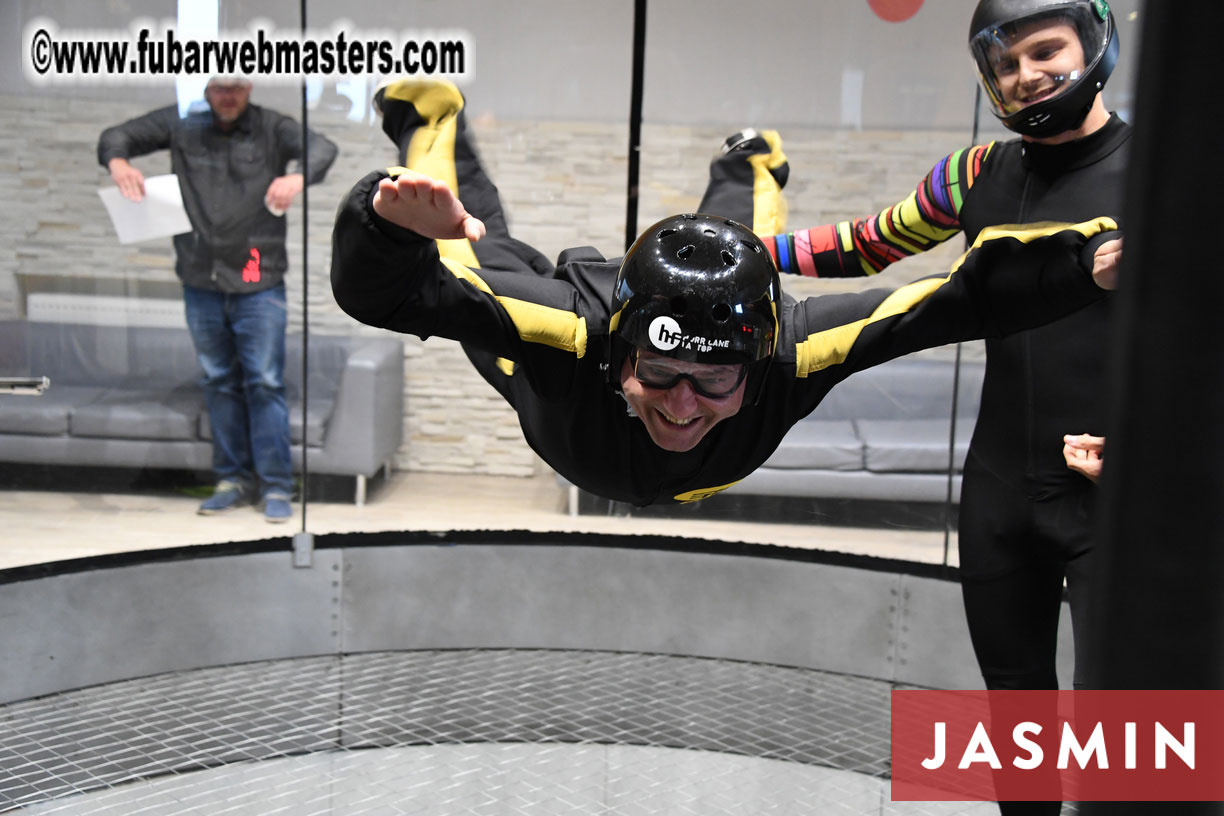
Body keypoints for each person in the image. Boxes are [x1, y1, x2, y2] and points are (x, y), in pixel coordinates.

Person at [330, 78, 1117, 512]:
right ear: (619, 354)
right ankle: (429, 117)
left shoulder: (791, 349)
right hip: (555, 385)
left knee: (738, 246)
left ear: (758, 361)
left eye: (713, 381)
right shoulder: (571, 333)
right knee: (469, 247)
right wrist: (386, 226)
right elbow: (391, 295)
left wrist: (1088, 264)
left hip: (660, 353)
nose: (681, 407)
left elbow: (954, 301)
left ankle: (751, 159)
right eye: (660, 374)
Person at [740, 2, 1125, 812]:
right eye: (1006, 63)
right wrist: (740, 250)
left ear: (1093, 40)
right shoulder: (975, 173)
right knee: (1016, 714)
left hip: (1121, 497)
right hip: (1000, 490)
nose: (1027, 75)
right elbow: (863, 244)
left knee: (1136, 727)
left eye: (1045, 51)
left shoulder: (1165, 174)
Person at [98, 76, 339, 522]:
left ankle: (276, 485)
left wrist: (297, 176)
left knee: (264, 383)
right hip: (200, 281)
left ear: (249, 88)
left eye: (236, 87)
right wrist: (118, 163)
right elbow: (116, 136)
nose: (228, 96)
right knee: (219, 382)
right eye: (219, 88)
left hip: (258, 280)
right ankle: (232, 480)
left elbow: (323, 148)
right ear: (207, 89)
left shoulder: (272, 128)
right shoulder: (182, 123)